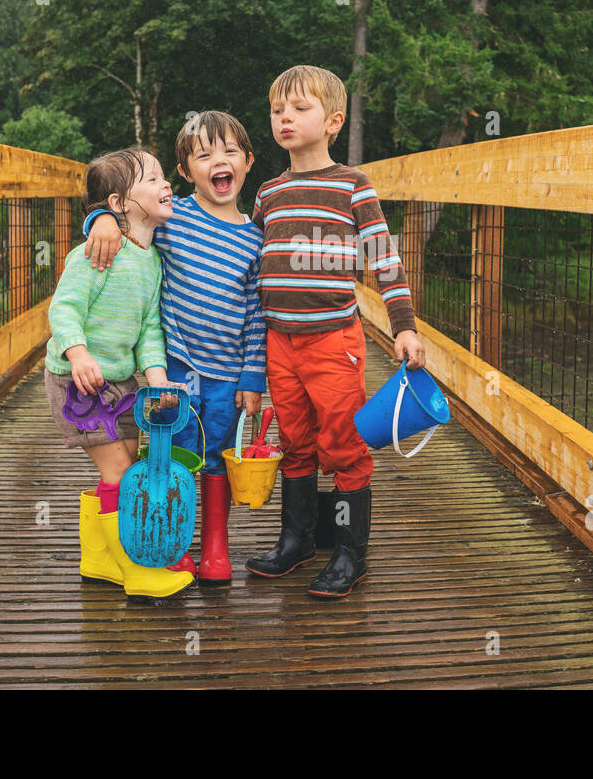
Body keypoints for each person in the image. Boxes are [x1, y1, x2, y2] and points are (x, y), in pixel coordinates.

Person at [246, 64, 426, 598]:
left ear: (333, 121)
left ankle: (351, 553)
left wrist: (404, 328)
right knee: (295, 444)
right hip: (280, 342)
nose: (286, 118)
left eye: (300, 108)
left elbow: (383, 261)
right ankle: (297, 541)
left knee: (344, 445)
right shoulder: (268, 193)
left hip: (333, 341)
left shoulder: (353, 186)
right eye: (278, 110)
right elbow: (250, 260)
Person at [82, 113, 265, 584]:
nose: (217, 162)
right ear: (185, 173)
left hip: (228, 373)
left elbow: (255, 314)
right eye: (203, 156)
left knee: (219, 456)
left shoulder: (254, 238)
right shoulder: (174, 216)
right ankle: (174, 542)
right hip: (176, 371)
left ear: (247, 162)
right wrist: (100, 216)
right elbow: (129, 211)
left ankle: (215, 548)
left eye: (228, 152)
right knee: (172, 455)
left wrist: (252, 376)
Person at [44, 147, 193, 599]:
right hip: (80, 383)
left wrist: (158, 374)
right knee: (124, 473)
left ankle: (99, 560)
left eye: (166, 177)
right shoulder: (97, 249)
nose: (166, 185)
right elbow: (65, 306)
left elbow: (149, 328)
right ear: (118, 204)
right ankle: (138, 568)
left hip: (124, 384)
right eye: (152, 179)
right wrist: (78, 352)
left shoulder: (151, 260)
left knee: (124, 463)